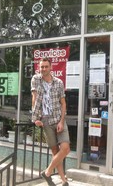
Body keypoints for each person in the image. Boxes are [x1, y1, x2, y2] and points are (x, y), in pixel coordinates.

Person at [31, 57, 70, 186]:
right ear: (39, 67)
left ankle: (47, 172)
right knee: (55, 151)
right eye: (42, 67)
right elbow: (35, 99)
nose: (43, 69)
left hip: (58, 118)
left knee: (65, 148)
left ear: (51, 67)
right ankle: (63, 180)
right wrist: (36, 118)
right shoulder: (36, 79)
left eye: (46, 66)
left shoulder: (59, 82)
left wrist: (61, 121)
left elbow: (63, 104)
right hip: (45, 120)